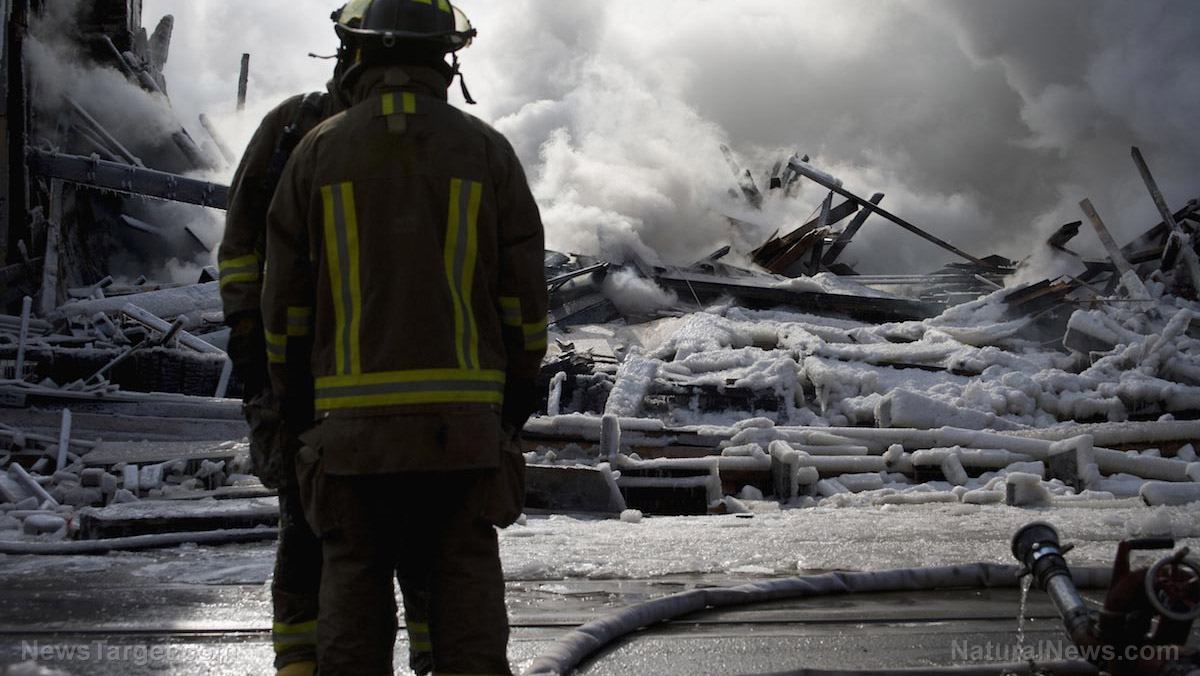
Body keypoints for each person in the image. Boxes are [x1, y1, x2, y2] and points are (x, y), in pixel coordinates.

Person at [260, 0, 547, 673]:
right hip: (463, 438)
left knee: (353, 592)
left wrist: (296, 412)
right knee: (466, 596)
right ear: (445, 59)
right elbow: (525, 306)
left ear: (359, 55)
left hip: (350, 440)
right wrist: (512, 403)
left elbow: (285, 311)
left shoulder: (316, 153)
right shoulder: (487, 152)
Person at [217, 5, 438, 673]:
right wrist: (253, 349)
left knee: (416, 545)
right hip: (307, 382)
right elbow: (242, 250)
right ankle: (303, 663)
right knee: (308, 532)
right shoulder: (294, 130)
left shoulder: (436, 137)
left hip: (385, 385)